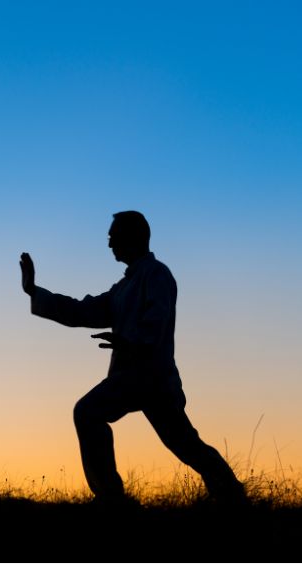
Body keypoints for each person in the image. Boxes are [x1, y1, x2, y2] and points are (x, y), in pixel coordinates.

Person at [19, 211, 245, 505]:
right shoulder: (124, 287)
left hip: (151, 376)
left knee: (100, 416)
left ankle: (114, 498)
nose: (110, 244)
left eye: (114, 237)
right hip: (137, 377)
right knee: (179, 441)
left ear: (133, 237)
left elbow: (157, 320)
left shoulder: (157, 274)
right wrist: (34, 292)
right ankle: (231, 495)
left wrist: (129, 341)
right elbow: (83, 311)